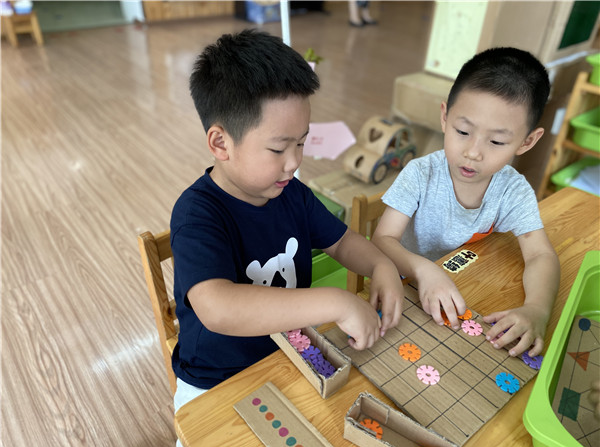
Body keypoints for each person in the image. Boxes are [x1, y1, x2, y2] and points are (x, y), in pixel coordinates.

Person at [170, 29, 404, 410]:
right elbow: (218, 308)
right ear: (220, 143)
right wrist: (335, 302)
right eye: (279, 148)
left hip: (292, 356)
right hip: (215, 381)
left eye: (301, 142)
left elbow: (343, 242)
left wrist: (381, 265)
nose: (294, 162)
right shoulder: (196, 214)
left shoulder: (292, 193)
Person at [372, 47, 560, 358]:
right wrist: (424, 270)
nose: (473, 152)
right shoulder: (420, 174)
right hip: (406, 284)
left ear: (527, 141)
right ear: (445, 117)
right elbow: (382, 239)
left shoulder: (512, 190)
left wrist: (537, 309)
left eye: (496, 141)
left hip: (467, 286)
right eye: (462, 131)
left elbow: (541, 254)